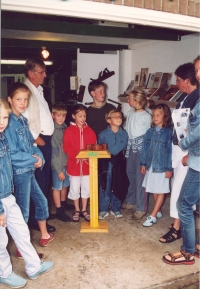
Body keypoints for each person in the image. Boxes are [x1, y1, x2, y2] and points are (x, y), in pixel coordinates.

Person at [0, 99, 53, 289]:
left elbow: (12, 160)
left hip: (7, 194)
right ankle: (4, 273)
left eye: (5, 117)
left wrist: (35, 156)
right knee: (1, 240)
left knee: (22, 230)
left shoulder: (3, 137)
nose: (2, 122)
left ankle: (34, 267)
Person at [5, 82, 54, 249]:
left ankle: (45, 235)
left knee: (41, 202)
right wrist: (34, 160)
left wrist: (39, 157)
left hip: (29, 171)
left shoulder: (23, 120)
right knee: (23, 212)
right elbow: (13, 154)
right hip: (20, 173)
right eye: (18, 99)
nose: (22, 103)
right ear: (10, 99)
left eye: (25, 99)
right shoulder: (9, 123)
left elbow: (33, 144)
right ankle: (21, 248)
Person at [163, 57, 200, 264]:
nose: (197, 75)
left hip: (196, 158)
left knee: (184, 203)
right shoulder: (189, 98)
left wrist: (186, 147)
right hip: (193, 155)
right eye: (196, 70)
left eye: (199, 70)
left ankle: (187, 252)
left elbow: (196, 133)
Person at [23, 57, 55, 233]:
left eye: (44, 71)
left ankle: (39, 217)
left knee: (44, 182)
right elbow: (23, 120)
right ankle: (37, 220)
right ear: (30, 73)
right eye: (41, 72)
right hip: (38, 142)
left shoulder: (39, 90)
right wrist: (37, 139)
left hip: (45, 140)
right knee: (39, 183)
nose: (45, 75)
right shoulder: (26, 91)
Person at [141, 104, 173, 226]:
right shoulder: (149, 132)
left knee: (161, 190)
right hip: (151, 166)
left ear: (165, 117)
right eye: (153, 115)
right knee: (154, 188)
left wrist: (169, 168)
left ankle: (153, 215)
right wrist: (143, 163)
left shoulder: (169, 133)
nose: (155, 117)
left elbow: (171, 152)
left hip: (162, 167)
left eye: (158, 115)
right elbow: (144, 149)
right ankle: (158, 209)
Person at [122, 89, 152, 220]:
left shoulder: (147, 116)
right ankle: (131, 200)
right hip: (130, 147)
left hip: (141, 149)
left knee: (140, 179)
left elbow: (149, 135)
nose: (128, 100)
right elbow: (127, 130)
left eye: (130, 98)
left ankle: (141, 207)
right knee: (131, 174)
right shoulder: (129, 113)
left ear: (137, 101)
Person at [63, 105, 96, 222]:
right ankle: (76, 209)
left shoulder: (90, 131)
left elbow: (93, 147)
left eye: (84, 116)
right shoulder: (68, 131)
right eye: (80, 116)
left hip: (87, 166)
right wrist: (77, 156)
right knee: (75, 188)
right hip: (74, 165)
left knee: (86, 188)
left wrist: (87, 156)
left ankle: (84, 209)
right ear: (73, 116)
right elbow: (67, 147)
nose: (83, 118)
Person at [98, 109, 128, 219]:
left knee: (117, 184)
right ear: (108, 120)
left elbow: (120, 149)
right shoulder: (102, 134)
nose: (118, 118)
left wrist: (110, 153)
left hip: (119, 163)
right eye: (115, 116)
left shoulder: (124, 134)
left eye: (120, 116)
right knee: (105, 185)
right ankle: (103, 209)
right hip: (106, 164)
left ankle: (116, 208)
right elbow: (100, 149)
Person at [51, 103, 71, 222]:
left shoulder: (65, 127)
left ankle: (63, 204)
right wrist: (58, 170)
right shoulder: (53, 131)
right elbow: (54, 153)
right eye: (58, 115)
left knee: (65, 185)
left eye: (63, 116)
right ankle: (59, 210)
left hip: (66, 163)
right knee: (57, 187)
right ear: (53, 115)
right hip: (58, 164)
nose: (61, 118)